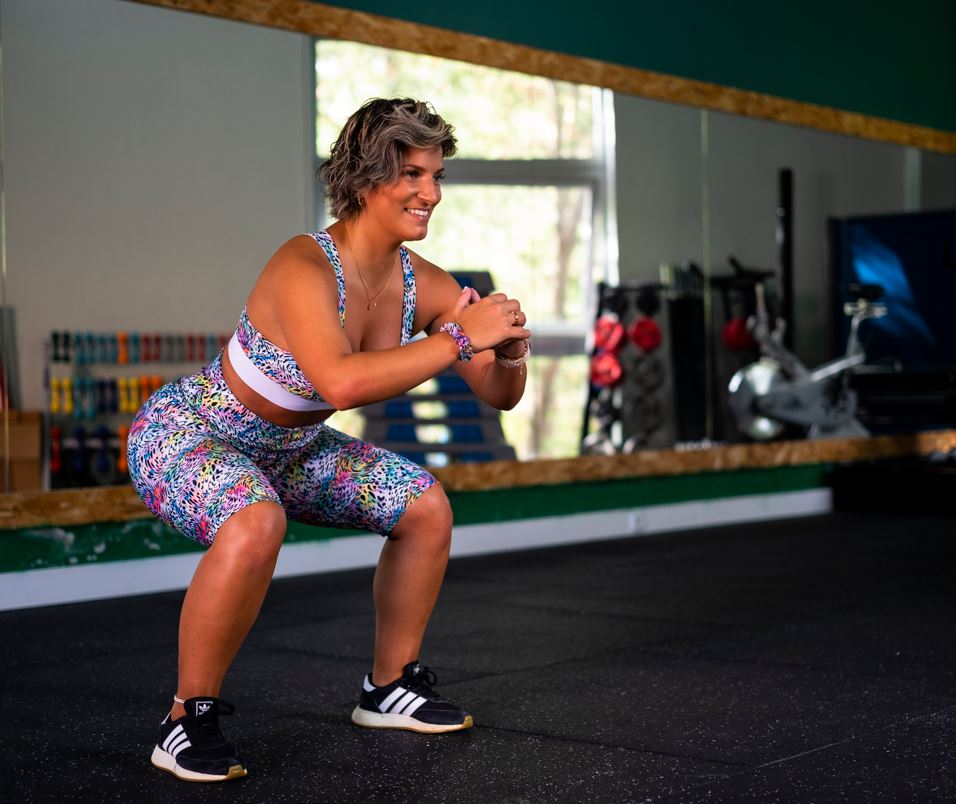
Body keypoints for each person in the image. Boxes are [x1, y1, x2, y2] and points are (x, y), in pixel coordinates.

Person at [126, 97, 531, 783]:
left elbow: (497, 393)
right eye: (411, 173)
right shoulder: (304, 265)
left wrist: (511, 351)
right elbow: (341, 383)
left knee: (424, 504)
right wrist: (460, 337)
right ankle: (183, 721)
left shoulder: (420, 283)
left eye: (435, 175)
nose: (430, 192)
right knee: (256, 522)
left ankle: (387, 687)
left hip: (293, 450)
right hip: (193, 434)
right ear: (367, 178)